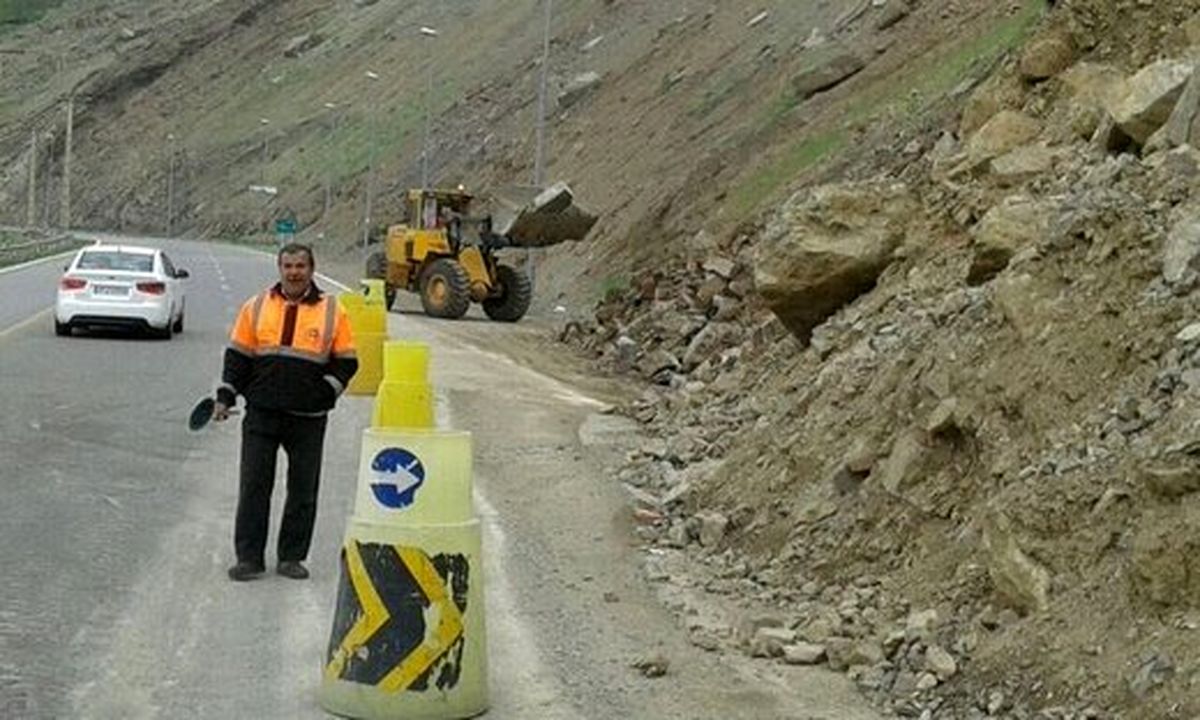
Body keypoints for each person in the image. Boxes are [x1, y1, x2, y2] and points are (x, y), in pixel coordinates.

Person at [213, 243, 358, 582]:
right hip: (261, 415)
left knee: (303, 489)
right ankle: (249, 558)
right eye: (288, 266)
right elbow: (238, 357)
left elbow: (348, 362)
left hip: (308, 419)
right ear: (279, 268)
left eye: (301, 266)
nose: (294, 272)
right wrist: (226, 396)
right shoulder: (257, 306)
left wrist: (325, 393)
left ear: (311, 269)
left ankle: (292, 557)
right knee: (253, 487)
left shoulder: (333, 311)